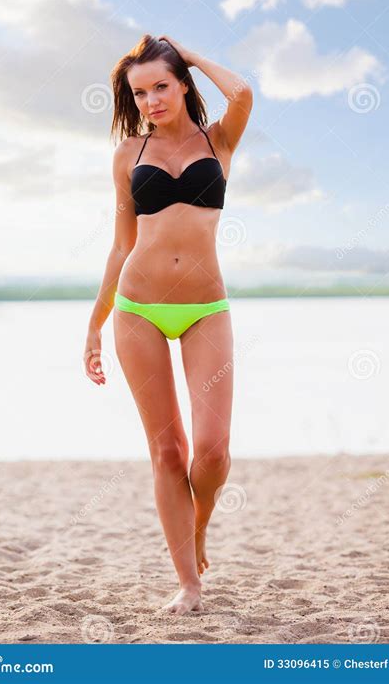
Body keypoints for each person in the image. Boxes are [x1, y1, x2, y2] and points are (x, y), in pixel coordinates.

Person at [84, 34, 252, 615]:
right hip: (138, 310)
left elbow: (245, 92)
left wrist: (196, 56)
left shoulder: (219, 139)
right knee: (167, 451)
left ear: (183, 84)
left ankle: (199, 524)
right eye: (140, 92)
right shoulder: (127, 156)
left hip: (207, 308)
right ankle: (188, 583)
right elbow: (120, 245)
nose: (151, 99)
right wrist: (93, 326)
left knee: (213, 451)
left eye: (161, 85)